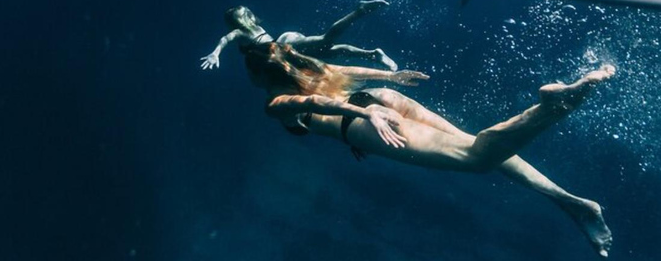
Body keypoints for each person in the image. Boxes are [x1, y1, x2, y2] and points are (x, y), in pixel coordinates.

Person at [242, 41, 614, 257]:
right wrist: (391, 79)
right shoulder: (312, 69)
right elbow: (348, 71)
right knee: (475, 145)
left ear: (259, 76)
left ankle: (549, 108)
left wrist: (363, 113)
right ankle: (572, 202)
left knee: (477, 158)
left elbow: (317, 107)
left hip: (365, 120)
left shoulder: (273, 103)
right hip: (383, 99)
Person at [200, 0, 401, 71]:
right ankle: (372, 54)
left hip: (285, 44)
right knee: (332, 51)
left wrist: (215, 53)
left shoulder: (239, 32)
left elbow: (225, 39)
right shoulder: (247, 31)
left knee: (326, 40)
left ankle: (359, 10)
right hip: (286, 49)